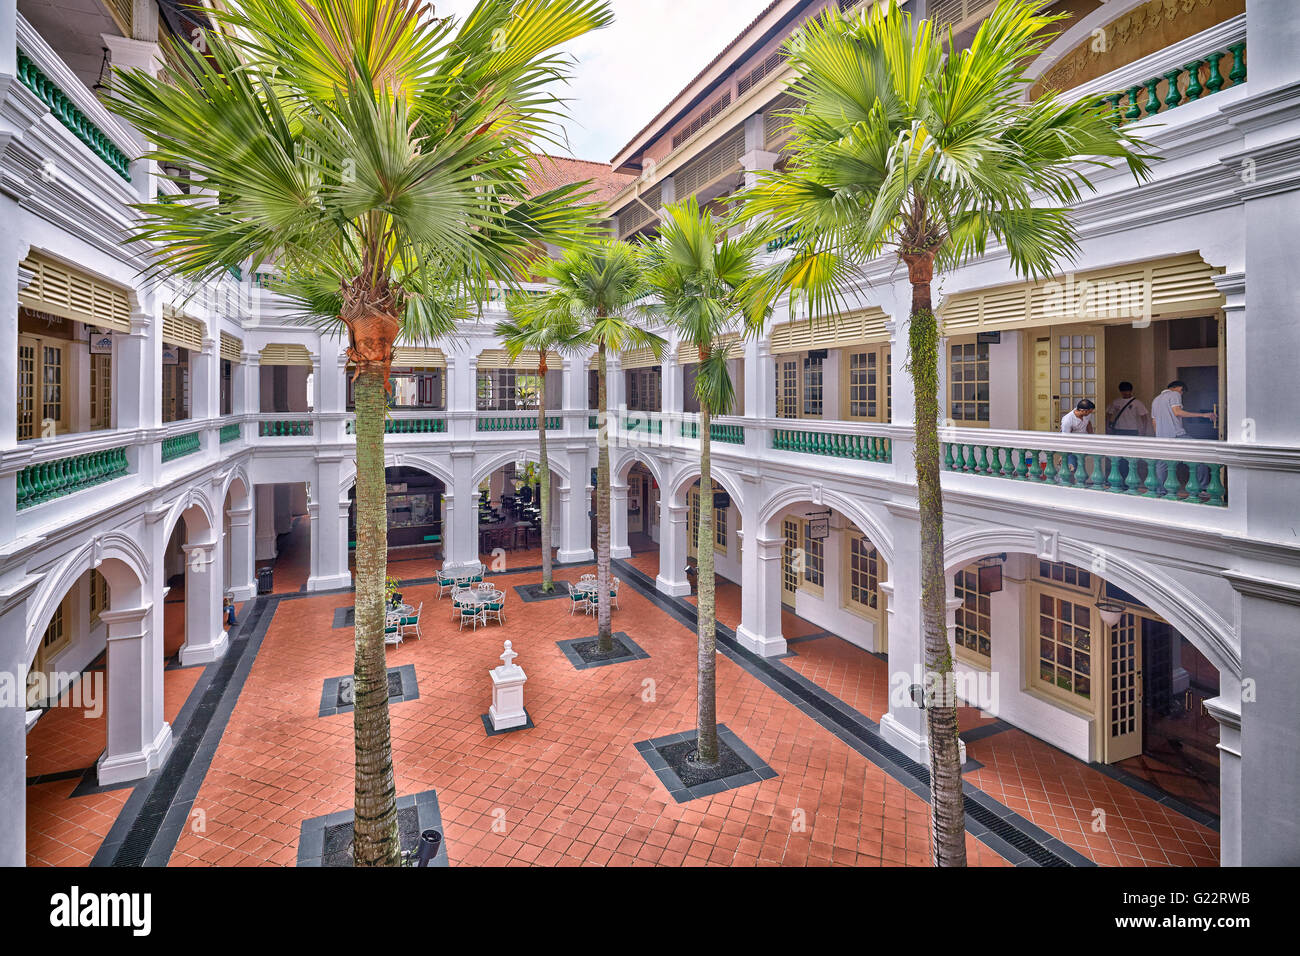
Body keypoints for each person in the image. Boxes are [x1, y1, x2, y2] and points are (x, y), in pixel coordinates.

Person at [1152, 381, 1215, 494]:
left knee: (1162, 464)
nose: (1181, 395)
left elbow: (1154, 421)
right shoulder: (1174, 394)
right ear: (1179, 388)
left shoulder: (1156, 399)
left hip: (1162, 437)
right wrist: (1203, 415)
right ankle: (1202, 487)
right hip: (1177, 435)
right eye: (1182, 392)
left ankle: (1160, 490)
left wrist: (1159, 436)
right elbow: (1178, 412)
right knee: (1201, 455)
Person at [1059, 399, 1094, 475]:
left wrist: (1092, 437)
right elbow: (1065, 438)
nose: (1091, 413)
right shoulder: (1068, 420)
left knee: (1080, 468)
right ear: (1083, 411)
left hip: (1082, 446)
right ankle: (1069, 486)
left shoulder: (1087, 415)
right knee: (1071, 468)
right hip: (1071, 447)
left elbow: (1088, 423)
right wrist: (1063, 454)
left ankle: (1078, 485)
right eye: (1090, 411)